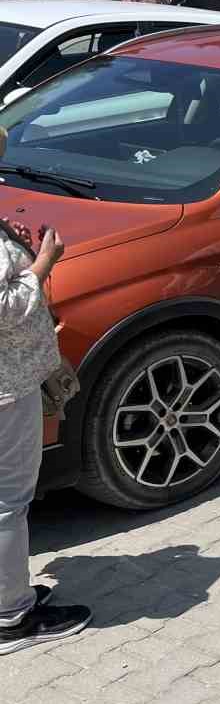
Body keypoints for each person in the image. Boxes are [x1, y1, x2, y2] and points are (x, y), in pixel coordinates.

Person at [1, 202, 94, 656]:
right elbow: (3, 307)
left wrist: (13, 246)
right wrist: (41, 264)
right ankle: (10, 619)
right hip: (4, 390)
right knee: (5, 503)